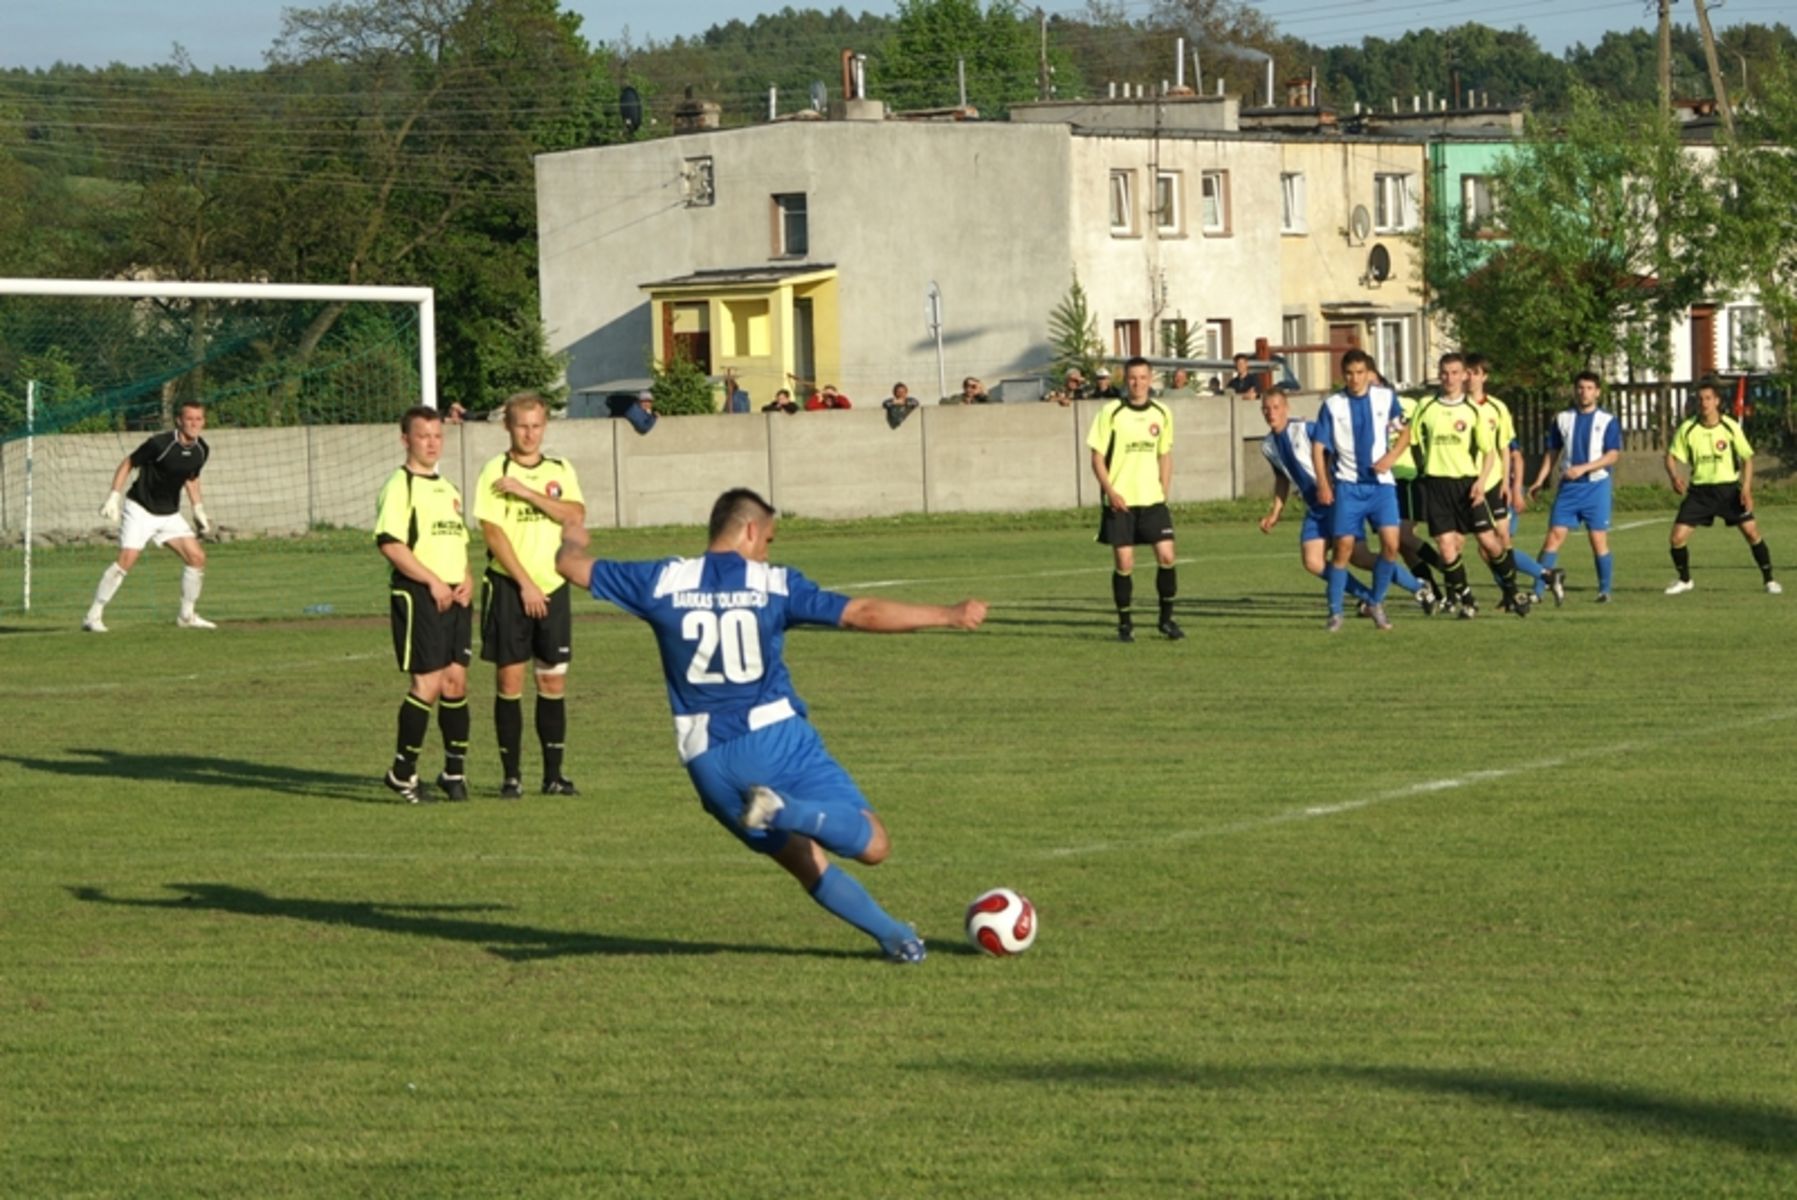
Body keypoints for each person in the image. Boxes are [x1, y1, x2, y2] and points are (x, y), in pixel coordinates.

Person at [554, 488, 987, 963]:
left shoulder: (661, 579)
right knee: (874, 843)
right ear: (750, 530)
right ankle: (786, 810)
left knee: (806, 864)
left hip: (707, 761)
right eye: (769, 540)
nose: (767, 551)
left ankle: (897, 939)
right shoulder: (771, 584)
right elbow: (861, 614)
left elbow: (571, 566)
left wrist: (572, 538)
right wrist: (947, 614)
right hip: (775, 739)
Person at [473, 392, 588, 801]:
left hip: (553, 588)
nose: (529, 433)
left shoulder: (559, 470)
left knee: (553, 680)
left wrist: (526, 492)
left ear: (545, 426)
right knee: (509, 679)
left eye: (536, 425)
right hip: (510, 587)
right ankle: (512, 776)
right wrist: (525, 583)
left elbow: (574, 515)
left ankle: (553, 775)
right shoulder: (494, 469)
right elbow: (493, 533)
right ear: (508, 426)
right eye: (522, 425)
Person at [374, 405, 472, 804]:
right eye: (423, 436)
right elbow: (391, 544)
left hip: (454, 595)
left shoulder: (448, 489)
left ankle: (453, 772)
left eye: (437, 436)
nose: (432, 443)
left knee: (455, 682)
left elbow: (456, 540)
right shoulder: (400, 486)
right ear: (406, 440)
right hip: (419, 595)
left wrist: (465, 576)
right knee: (427, 684)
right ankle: (402, 773)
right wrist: (432, 581)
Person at [1258, 388, 1424, 608]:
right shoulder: (1268, 445)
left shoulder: (1305, 429)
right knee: (1313, 562)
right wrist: (1274, 513)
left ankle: (1417, 587)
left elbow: (1334, 448)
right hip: (1316, 508)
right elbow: (1281, 477)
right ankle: (1367, 597)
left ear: (1286, 407)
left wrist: (1330, 483)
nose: (1271, 413)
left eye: (1276, 407)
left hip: (1338, 502)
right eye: (1266, 409)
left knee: (1360, 558)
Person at [1409, 353, 1531, 619]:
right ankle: (1467, 599)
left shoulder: (1474, 410)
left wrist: (1480, 481)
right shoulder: (1426, 407)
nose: (1449, 378)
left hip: (1467, 484)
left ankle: (1512, 589)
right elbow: (1414, 441)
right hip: (1436, 485)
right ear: (1439, 375)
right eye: (1444, 373)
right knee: (1445, 544)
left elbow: (1489, 452)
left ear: (1464, 375)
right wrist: (1424, 470)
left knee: (1489, 541)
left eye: (1455, 373)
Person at [84, 398, 216, 632]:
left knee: (197, 557)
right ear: (179, 420)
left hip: (169, 514)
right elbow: (128, 463)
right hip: (140, 508)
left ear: (203, 421)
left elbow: (192, 478)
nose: (194, 423)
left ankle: (187, 616)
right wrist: (114, 495)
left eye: (198, 419)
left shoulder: (201, 449)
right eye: (189, 419)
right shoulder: (159, 444)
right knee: (127, 560)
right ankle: (93, 616)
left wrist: (198, 509)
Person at [1310, 349, 1410, 632]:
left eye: (1360, 373)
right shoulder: (1332, 405)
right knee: (1343, 549)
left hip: (1381, 486)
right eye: (1350, 373)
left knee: (1392, 544)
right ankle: (1335, 613)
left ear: (1368, 373)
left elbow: (1405, 432)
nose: (1355, 379)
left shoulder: (1385, 397)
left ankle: (1375, 603)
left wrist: (1392, 456)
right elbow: (1319, 448)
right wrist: (1323, 483)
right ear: (1343, 375)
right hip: (1348, 487)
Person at [1087, 355, 1183, 641]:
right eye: (1132, 378)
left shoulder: (1162, 413)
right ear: (1124, 380)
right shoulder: (1110, 413)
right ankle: (1125, 624)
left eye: (1142, 377)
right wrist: (1111, 492)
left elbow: (1165, 455)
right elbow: (1097, 458)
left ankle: (1166, 621)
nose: (1137, 383)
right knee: (1125, 563)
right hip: (1121, 502)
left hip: (1152, 501)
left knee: (1167, 556)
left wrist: (1163, 491)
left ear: (1150, 379)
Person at [1663, 379, 1781, 596]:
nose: (1704, 403)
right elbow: (1670, 456)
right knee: (1677, 538)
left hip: (1728, 491)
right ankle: (1685, 580)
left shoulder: (1730, 426)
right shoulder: (1688, 428)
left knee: (1752, 532)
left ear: (1717, 401)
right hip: (1700, 493)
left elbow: (1747, 458)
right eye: (1700, 399)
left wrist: (1746, 489)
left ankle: (1769, 580)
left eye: (1708, 398)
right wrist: (1674, 476)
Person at [1528, 371, 1622, 604]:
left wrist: (1584, 468)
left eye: (1590, 388)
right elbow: (1552, 453)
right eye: (1580, 387)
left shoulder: (1607, 421)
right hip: (1569, 488)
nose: (1584, 392)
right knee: (1553, 537)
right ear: (1575, 390)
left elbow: (1612, 455)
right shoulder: (1563, 419)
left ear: (1598, 392)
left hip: (1596, 486)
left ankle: (1604, 590)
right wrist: (1540, 480)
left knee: (1597, 539)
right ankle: (1537, 591)